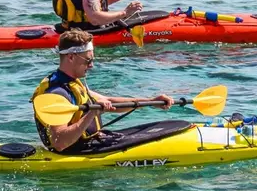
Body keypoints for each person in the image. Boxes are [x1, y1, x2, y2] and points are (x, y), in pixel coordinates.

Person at [32, 29, 173, 153]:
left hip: (90, 143)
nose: (91, 65)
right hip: (75, 151)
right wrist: (92, 113)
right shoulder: (57, 92)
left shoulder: (71, 82)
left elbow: (108, 101)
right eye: (88, 60)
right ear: (70, 57)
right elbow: (60, 143)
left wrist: (151, 102)